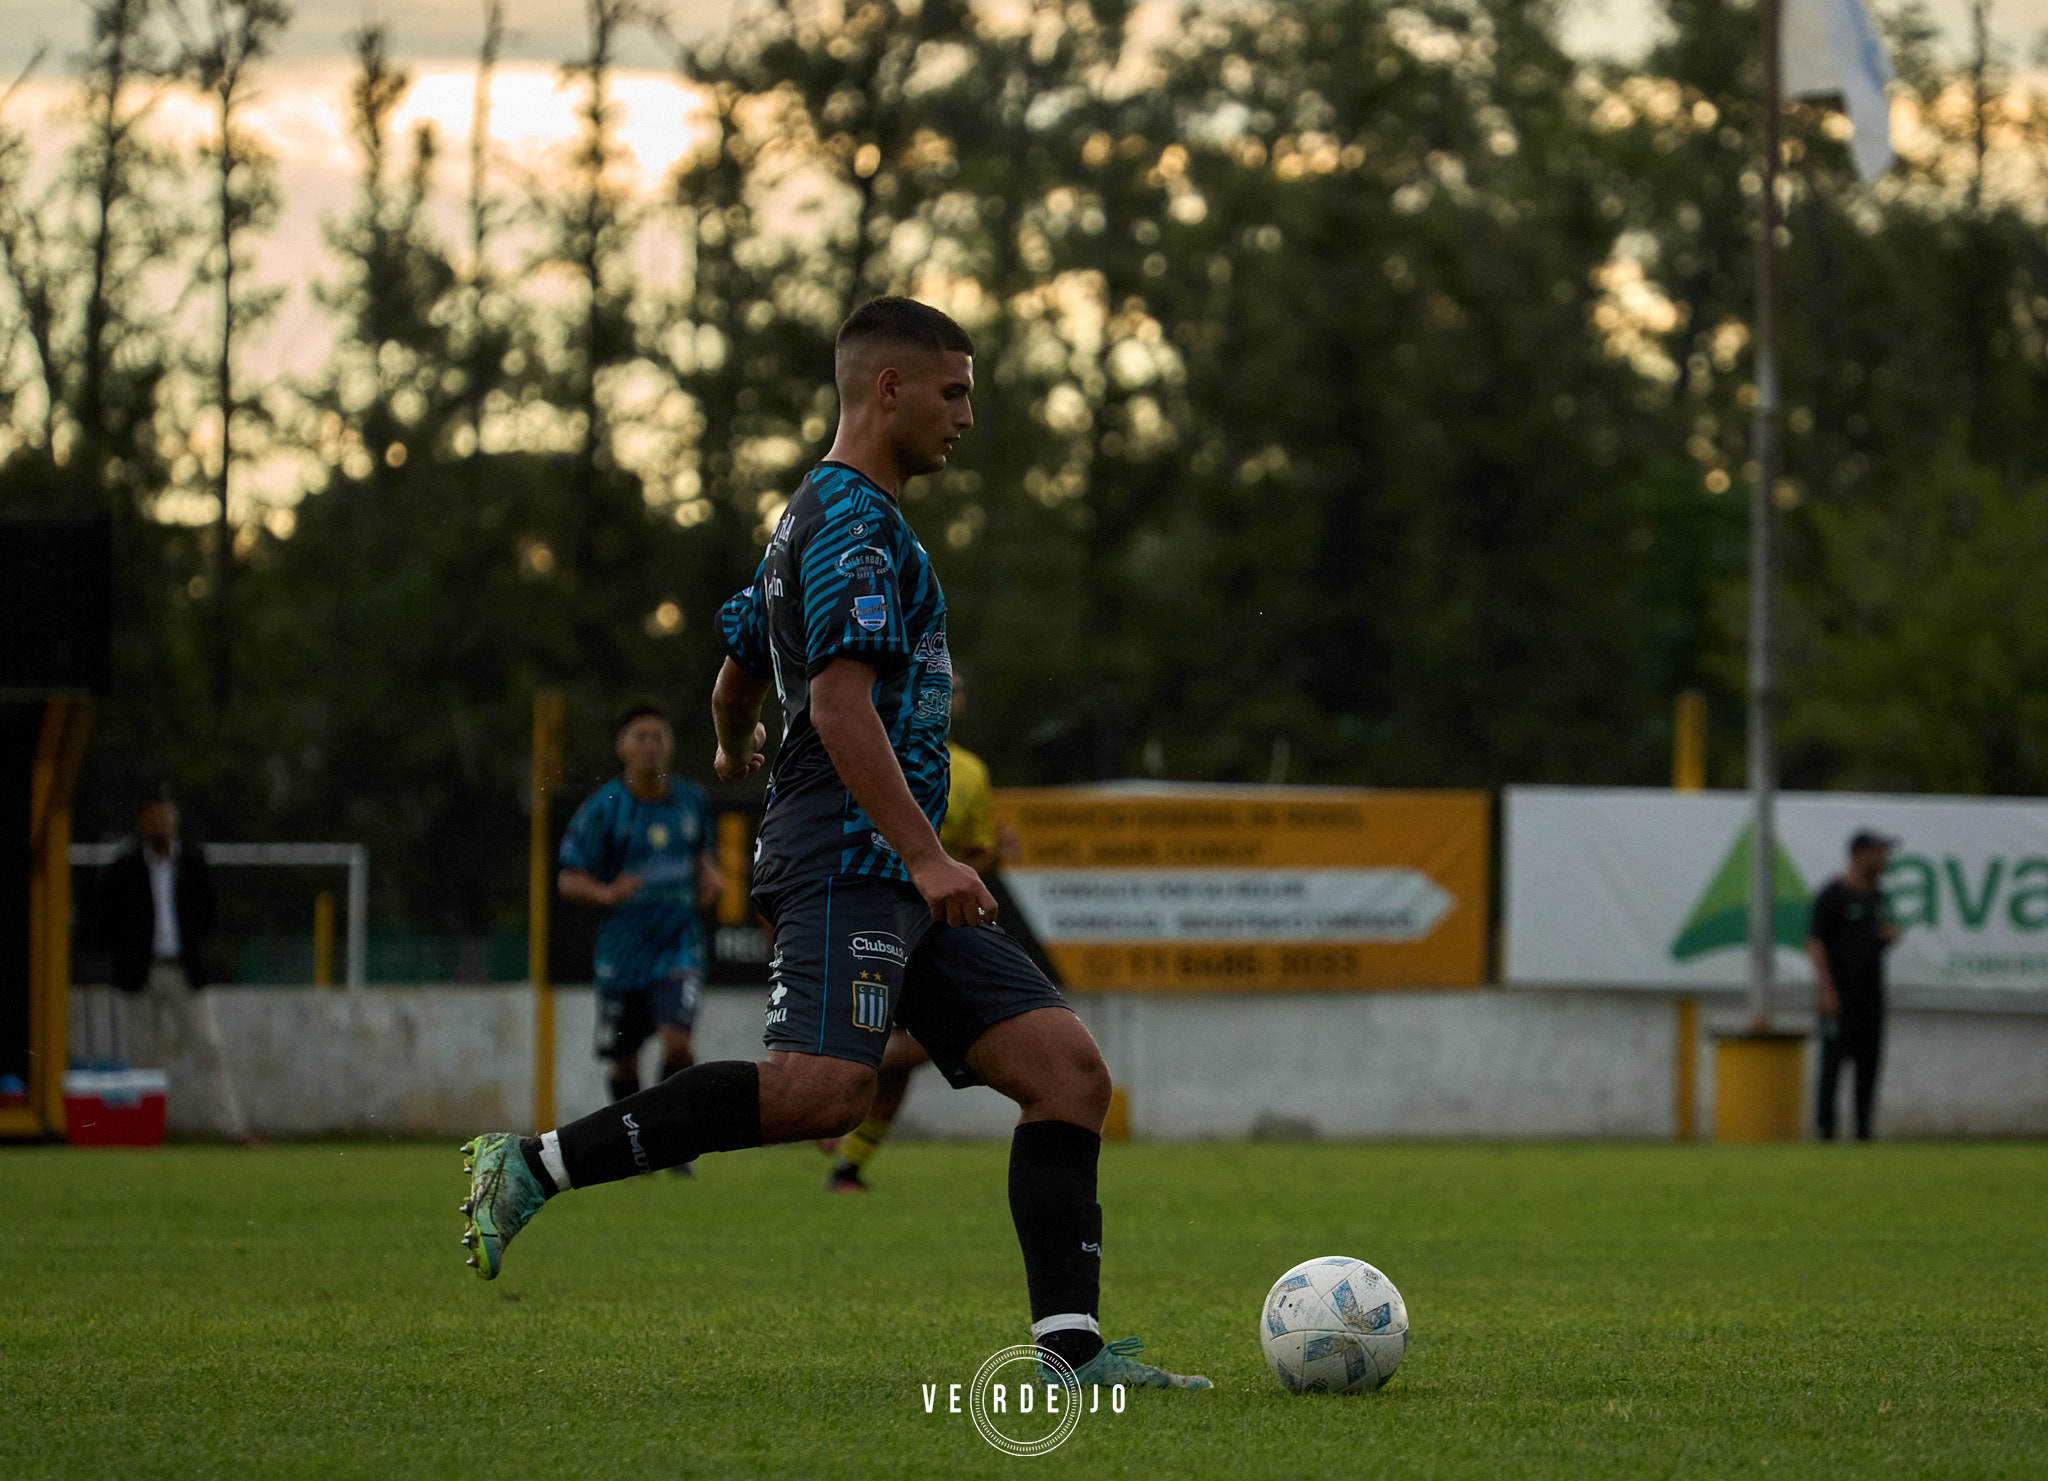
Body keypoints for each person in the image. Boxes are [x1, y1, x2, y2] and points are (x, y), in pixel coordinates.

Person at [457, 296, 1209, 1393]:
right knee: (819, 1092)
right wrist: (926, 854)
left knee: (1066, 1073)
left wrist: (729, 740)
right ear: (887, 388)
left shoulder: (809, 518)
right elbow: (845, 707)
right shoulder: (852, 525)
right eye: (951, 392)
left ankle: (1071, 1354)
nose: (965, 415)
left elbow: (736, 664)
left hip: (882, 863)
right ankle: (530, 1164)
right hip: (850, 862)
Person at [823, 671, 1019, 1194]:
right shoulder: (880, 748)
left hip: (935, 924)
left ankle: (844, 1146)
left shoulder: (972, 771)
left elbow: (970, 854)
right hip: (875, 913)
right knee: (902, 1045)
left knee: (917, 1049)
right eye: (941, 688)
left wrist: (993, 855)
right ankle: (829, 1088)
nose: (947, 699)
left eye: (956, 692)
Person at [557, 699, 725, 1172]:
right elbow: (568, 877)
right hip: (624, 952)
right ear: (623, 746)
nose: (650, 745)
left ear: (670, 745)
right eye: (641, 737)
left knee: (678, 1045)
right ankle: (635, 1149)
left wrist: (710, 874)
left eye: (658, 736)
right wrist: (608, 893)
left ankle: (672, 1142)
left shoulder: (691, 799)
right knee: (625, 1064)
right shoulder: (604, 806)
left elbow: (701, 855)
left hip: (679, 943)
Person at [98, 788, 255, 1144]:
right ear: (143, 820)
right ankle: (145, 1133)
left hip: (184, 970)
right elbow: (106, 919)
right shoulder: (125, 867)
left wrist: (192, 945)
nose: (161, 823)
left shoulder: (193, 863)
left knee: (208, 1047)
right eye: (154, 816)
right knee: (143, 1058)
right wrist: (127, 954)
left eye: (166, 816)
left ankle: (232, 1128)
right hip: (139, 973)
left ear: (175, 819)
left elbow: (209, 915)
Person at [1807, 830, 1902, 1142]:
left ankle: (1863, 1131)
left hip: (1871, 997)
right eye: (1880, 851)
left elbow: (1865, 944)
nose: (1885, 859)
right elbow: (1816, 944)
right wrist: (1826, 990)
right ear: (1861, 854)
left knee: (1868, 1067)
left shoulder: (1876, 895)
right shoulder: (1832, 894)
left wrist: (1884, 940)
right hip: (1840, 997)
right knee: (1833, 1066)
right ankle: (1826, 1131)